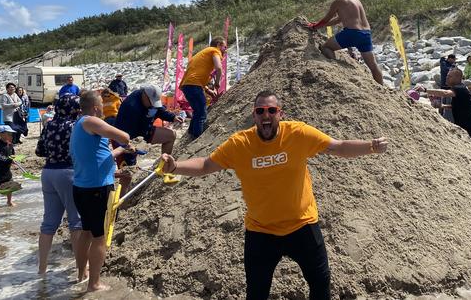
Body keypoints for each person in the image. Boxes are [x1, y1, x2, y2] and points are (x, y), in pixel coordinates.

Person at [159, 90, 388, 300]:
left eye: (271, 110)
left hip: (303, 226)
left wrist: (371, 147)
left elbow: (337, 147)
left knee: (320, 284)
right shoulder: (240, 144)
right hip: (261, 231)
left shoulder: (298, 133)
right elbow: (206, 165)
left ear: (280, 113)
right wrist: (175, 166)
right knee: (256, 293)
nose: (265, 115)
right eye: (260, 111)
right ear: (254, 115)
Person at [70, 90, 132, 292]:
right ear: (96, 108)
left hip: (83, 186)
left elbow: (99, 156)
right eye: (102, 107)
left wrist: (121, 150)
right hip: (96, 189)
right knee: (100, 236)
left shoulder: (80, 125)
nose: (104, 111)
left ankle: (81, 274)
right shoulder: (90, 121)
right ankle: (94, 284)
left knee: (86, 232)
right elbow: (123, 135)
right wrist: (125, 141)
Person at [36, 95, 85, 278]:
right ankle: (82, 271)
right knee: (76, 221)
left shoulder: (49, 124)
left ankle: (42, 269)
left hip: (48, 172)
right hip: (68, 172)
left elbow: (39, 151)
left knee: (48, 223)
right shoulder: (76, 125)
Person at [307, 0, 383, 85]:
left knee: (326, 47)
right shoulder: (356, 0)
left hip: (352, 33)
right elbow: (338, 20)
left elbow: (326, 19)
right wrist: (320, 25)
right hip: (366, 33)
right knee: (373, 66)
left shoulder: (339, 1)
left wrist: (314, 27)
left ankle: (337, 71)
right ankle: (381, 88)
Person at [114, 85, 182, 162]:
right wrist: (134, 145)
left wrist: (173, 117)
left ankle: (165, 164)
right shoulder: (131, 106)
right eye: (151, 102)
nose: (153, 105)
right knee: (128, 167)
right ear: (145, 95)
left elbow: (159, 110)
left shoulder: (149, 101)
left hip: (145, 129)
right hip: (125, 137)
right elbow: (127, 131)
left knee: (171, 135)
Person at [419, 69, 471, 145]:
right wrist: (442, 106)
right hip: (467, 128)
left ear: (457, 78)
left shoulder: (460, 87)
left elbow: (445, 93)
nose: (446, 78)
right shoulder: (459, 89)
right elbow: (459, 106)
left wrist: (425, 90)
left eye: (449, 76)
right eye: (447, 76)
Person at [179, 38, 226, 139]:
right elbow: (219, 68)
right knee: (201, 112)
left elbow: (195, 76)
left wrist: (208, 90)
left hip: (187, 85)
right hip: (193, 85)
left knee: (197, 110)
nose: (225, 50)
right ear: (218, 45)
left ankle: (191, 134)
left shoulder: (202, 54)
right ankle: (197, 138)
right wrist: (217, 84)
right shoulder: (214, 51)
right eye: (224, 47)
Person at [0, 125, 17, 208]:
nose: (11, 136)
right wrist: (9, 159)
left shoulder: (10, 145)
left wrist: (13, 159)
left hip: (6, 169)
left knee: (10, 185)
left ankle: (9, 201)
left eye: (11, 134)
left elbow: (12, 153)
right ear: (1, 135)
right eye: (9, 134)